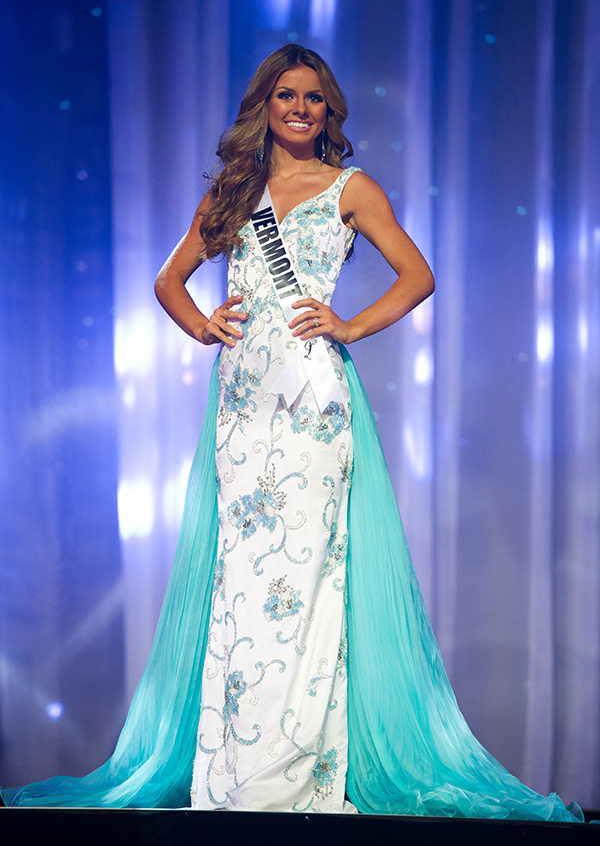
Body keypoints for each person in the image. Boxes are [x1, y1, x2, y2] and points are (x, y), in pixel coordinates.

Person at [0, 45, 582, 821]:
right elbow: (168, 280)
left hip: (313, 406)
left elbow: (418, 274)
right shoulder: (237, 193)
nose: (301, 108)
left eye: (314, 97)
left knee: (307, 582)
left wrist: (350, 325)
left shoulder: (352, 188)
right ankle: (234, 775)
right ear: (265, 107)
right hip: (244, 409)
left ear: (328, 109)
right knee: (241, 582)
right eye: (285, 95)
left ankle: (298, 776)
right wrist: (204, 327)